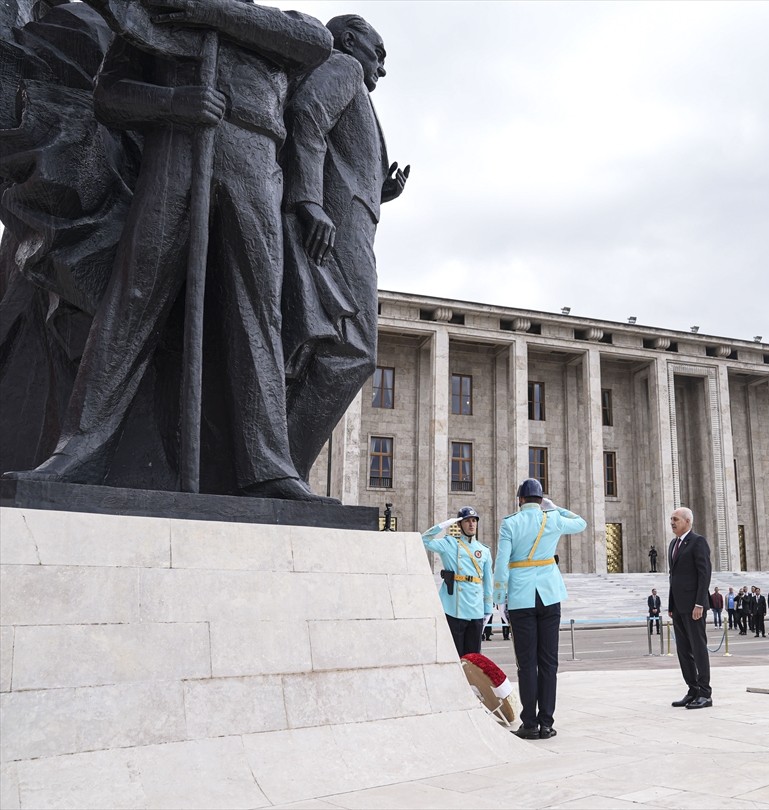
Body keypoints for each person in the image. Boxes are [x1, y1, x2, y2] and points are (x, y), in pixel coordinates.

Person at [11, 0, 335, 499]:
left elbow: (316, 43)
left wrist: (209, 13)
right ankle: (80, 448)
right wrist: (172, 102)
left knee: (257, 312)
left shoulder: (276, 26)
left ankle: (269, 464)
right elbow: (110, 96)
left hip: (254, 160)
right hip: (176, 153)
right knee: (132, 298)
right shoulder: (154, 18)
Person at [280, 13, 406, 479]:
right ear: (351, 41)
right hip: (334, 225)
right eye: (379, 54)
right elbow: (306, 116)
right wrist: (308, 200)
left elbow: (340, 154)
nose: (382, 68)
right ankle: (282, 465)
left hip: (352, 221)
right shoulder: (343, 66)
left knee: (328, 343)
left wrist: (381, 189)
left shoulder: (356, 84)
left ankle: (280, 465)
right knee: (353, 348)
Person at [493, 478, 587, 740]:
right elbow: (581, 523)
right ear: (540, 500)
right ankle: (547, 722)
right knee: (549, 662)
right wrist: (556, 508)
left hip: (522, 598)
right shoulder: (553, 518)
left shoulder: (510, 523)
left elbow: (501, 563)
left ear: (520, 500)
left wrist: (499, 595)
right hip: (549, 596)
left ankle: (530, 723)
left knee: (527, 663)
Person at [420, 506, 493, 658]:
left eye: (474, 520)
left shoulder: (484, 550)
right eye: (467, 521)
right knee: (454, 656)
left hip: (475, 608)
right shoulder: (449, 544)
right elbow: (423, 540)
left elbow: (488, 581)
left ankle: (469, 683)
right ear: (459, 524)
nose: (471, 524)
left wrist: (487, 608)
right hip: (454, 607)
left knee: (473, 658)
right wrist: (443, 525)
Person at [667, 506, 713, 710]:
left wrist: (699, 603)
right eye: (671, 519)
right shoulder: (673, 544)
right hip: (678, 606)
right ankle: (692, 689)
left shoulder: (698, 542)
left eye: (675, 519)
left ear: (687, 521)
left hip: (694, 606)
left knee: (698, 649)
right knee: (683, 651)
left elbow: (704, 574)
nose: (672, 522)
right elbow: (673, 577)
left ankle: (705, 693)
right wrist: (670, 605)